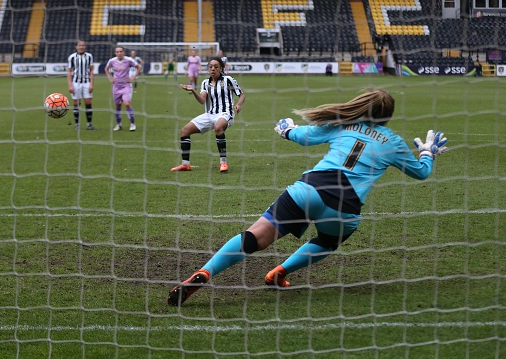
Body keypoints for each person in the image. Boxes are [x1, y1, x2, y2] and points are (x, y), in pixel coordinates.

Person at [167, 90, 449, 306]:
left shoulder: (342, 124)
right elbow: (421, 173)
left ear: (360, 105)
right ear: (388, 116)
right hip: (344, 208)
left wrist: (286, 129)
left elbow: (302, 136)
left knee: (254, 238)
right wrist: (427, 152)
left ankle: (205, 272)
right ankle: (279, 272)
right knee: (328, 240)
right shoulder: (394, 142)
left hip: (308, 190)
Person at [171, 56, 245, 173]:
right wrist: (193, 90)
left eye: (216, 67)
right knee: (185, 131)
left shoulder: (228, 80)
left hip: (225, 113)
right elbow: (202, 100)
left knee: (218, 127)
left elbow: (241, 95)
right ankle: (185, 164)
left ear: (221, 68)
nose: (213, 69)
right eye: (210, 67)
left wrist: (239, 104)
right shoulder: (205, 83)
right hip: (209, 114)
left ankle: (223, 162)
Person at [105, 46, 141, 131]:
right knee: (118, 106)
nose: (119, 53)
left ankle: (132, 124)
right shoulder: (112, 61)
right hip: (116, 86)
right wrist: (110, 78)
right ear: (115, 53)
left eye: (121, 51)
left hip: (126, 86)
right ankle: (119, 124)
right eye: (117, 52)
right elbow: (106, 69)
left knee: (127, 104)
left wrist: (133, 78)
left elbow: (138, 67)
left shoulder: (128, 60)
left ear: (124, 52)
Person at [67, 39, 95, 130]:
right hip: (76, 83)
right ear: (76, 47)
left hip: (86, 82)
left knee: (88, 102)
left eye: (83, 45)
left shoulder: (89, 56)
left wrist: (91, 84)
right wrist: (70, 85)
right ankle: (77, 125)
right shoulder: (72, 57)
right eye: (80, 45)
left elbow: (91, 70)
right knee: (76, 103)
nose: (81, 47)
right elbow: (69, 72)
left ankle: (89, 124)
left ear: (85, 47)